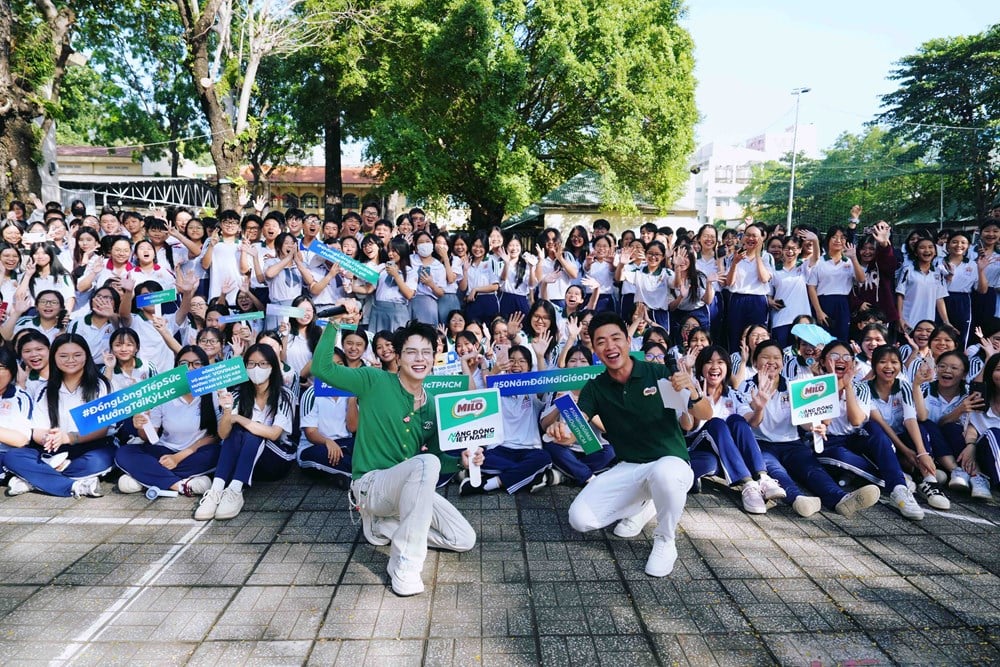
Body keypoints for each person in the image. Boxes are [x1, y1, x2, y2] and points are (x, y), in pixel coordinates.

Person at [311, 314, 480, 596]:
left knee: (463, 538)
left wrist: (462, 461)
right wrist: (334, 326)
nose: (419, 358)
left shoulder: (432, 407)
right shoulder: (373, 380)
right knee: (426, 463)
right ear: (398, 357)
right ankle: (404, 565)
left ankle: (385, 527)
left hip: (406, 492)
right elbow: (322, 367)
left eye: (426, 352)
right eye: (411, 351)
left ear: (434, 357)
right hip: (370, 485)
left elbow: (437, 458)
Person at [545, 312, 712, 578]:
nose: (609, 347)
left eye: (615, 338)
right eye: (601, 342)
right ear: (595, 349)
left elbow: (704, 415)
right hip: (630, 467)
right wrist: (563, 432)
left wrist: (692, 390)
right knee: (579, 519)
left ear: (627, 340)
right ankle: (646, 503)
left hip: (671, 463)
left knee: (664, 475)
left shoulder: (658, 372)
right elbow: (577, 428)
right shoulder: (596, 387)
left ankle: (665, 540)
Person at [196, 344, 296, 521]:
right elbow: (224, 434)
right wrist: (227, 411)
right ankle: (217, 490)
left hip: (276, 459)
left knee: (251, 431)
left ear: (273, 367)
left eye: (263, 364)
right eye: (251, 364)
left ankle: (235, 490)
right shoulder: (237, 394)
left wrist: (239, 419)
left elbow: (273, 434)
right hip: (246, 458)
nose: (256, 369)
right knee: (238, 432)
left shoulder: (284, 395)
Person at [5, 333, 112, 498]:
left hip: (88, 445)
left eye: (77, 355)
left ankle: (34, 480)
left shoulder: (99, 385)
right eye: (63, 356)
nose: (70, 360)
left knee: (98, 461)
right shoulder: (45, 389)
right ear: (54, 357)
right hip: (54, 450)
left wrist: (68, 438)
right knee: (14, 456)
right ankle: (75, 485)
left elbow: (101, 430)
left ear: (87, 356)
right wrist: (49, 438)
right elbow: (37, 430)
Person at [115, 346, 219, 496]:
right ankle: (181, 485)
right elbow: (149, 437)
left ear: (204, 366)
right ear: (176, 367)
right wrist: (141, 425)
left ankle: (148, 478)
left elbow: (215, 435)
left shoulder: (214, 393)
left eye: (196, 364)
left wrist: (178, 457)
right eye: (183, 364)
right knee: (124, 452)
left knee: (218, 454)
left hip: (194, 452)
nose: (189, 368)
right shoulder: (165, 393)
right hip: (164, 451)